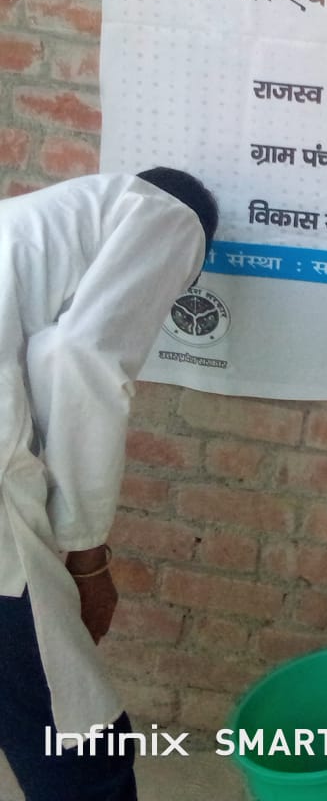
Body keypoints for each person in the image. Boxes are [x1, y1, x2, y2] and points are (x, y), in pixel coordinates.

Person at [0, 169, 218, 801]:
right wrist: (86, 558)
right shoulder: (172, 214)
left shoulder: (32, 222)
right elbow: (79, 357)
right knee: (80, 739)